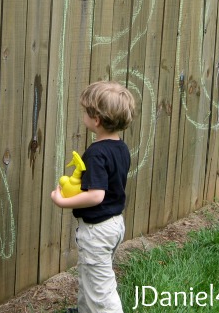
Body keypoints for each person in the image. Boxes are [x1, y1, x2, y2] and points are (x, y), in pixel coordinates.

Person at [51, 80, 135, 313]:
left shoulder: (96, 154)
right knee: (90, 275)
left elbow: (96, 195)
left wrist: (62, 201)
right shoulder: (121, 148)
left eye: (85, 111)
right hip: (114, 224)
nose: (83, 115)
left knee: (101, 288)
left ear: (96, 120)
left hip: (97, 230)